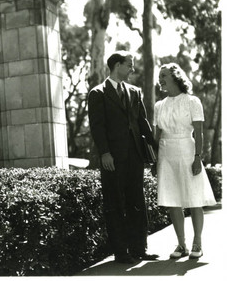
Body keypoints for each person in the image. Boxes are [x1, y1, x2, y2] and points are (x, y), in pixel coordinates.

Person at [88, 51, 159, 264]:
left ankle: (140, 248)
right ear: (117, 65)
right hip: (112, 158)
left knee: (137, 201)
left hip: (135, 156)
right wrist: (105, 153)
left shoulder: (135, 92)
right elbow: (97, 127)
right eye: (129, 64)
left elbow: (142, 123)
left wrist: (155, 151)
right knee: (115, 202)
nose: (132, 69)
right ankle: (121, 252)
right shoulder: (98, 93)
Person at [154, 63, 216, 259]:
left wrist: (198, 157)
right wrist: (155, 161)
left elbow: (198, 133)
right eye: (159, 76)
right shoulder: (159, 105)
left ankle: (197, 242)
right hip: (166, 153)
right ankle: (181, 244)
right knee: (173, 201)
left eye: (164, 75)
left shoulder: (192, 101)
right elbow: (157, 135)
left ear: (175, 77)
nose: (160, 79)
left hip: (188, 152)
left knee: (194, 199)